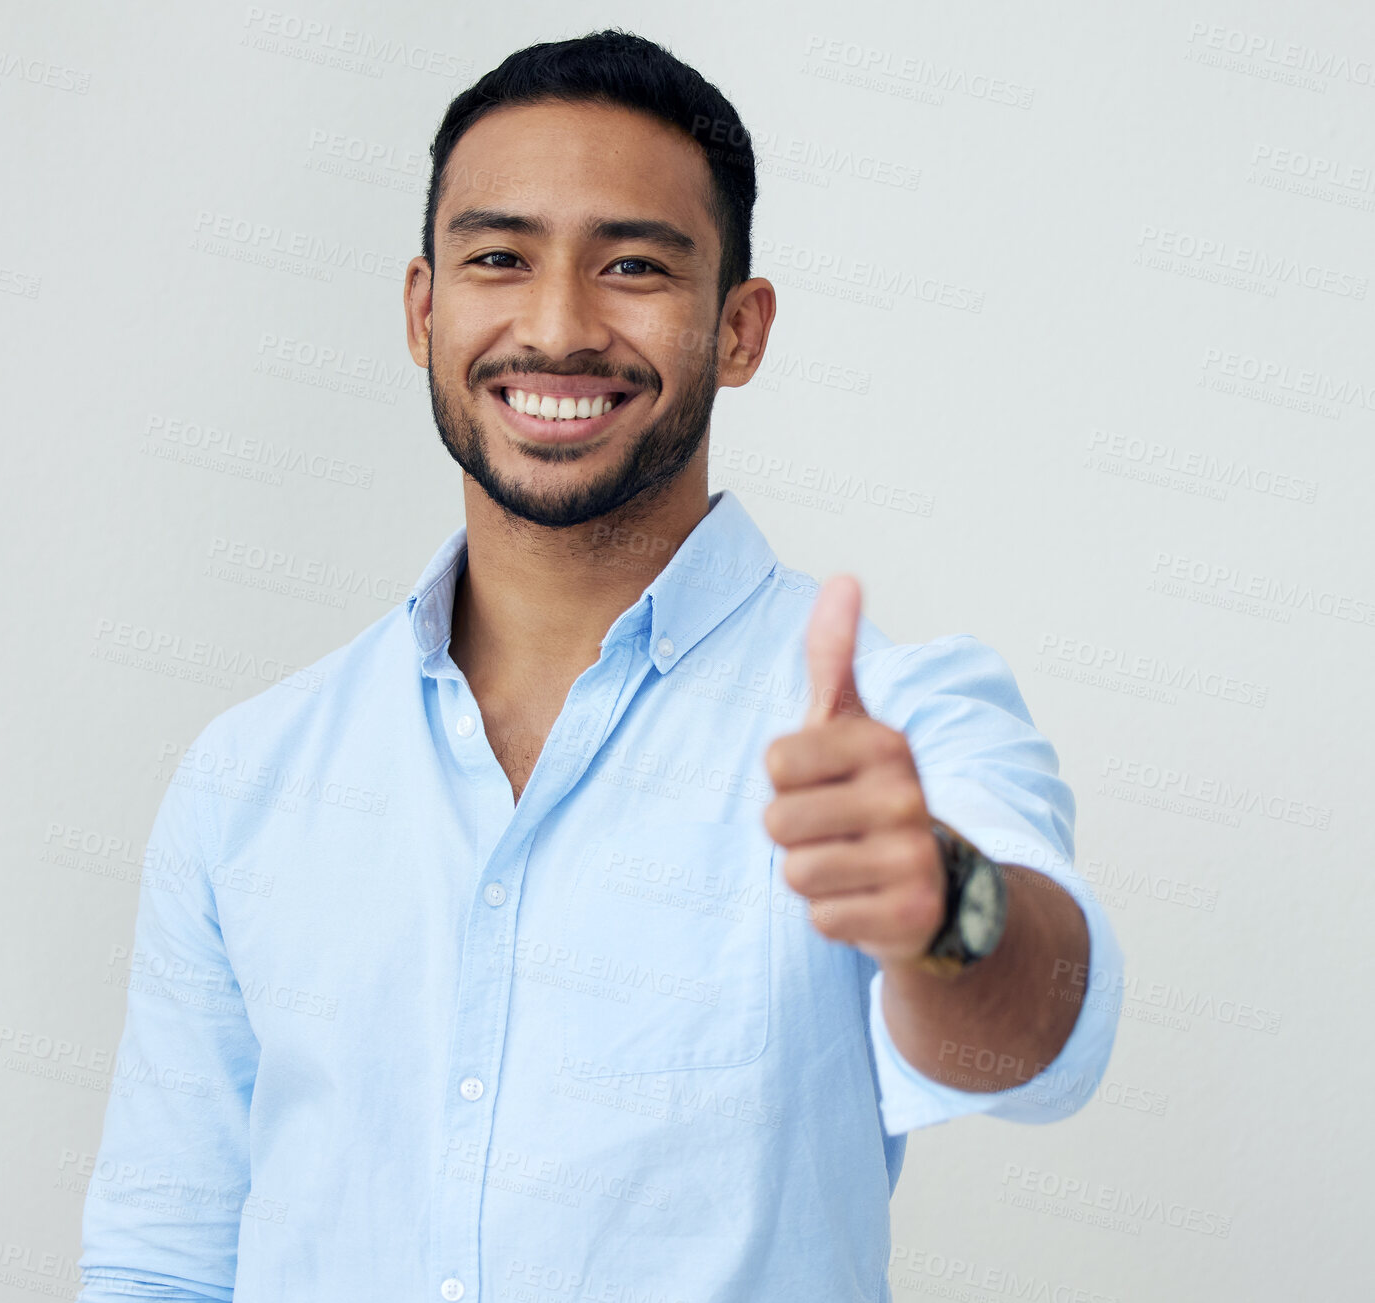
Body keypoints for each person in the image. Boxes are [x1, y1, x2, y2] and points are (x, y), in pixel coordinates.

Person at [77, 28, 1122, 1303]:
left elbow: (1042, 1044)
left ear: (740, 329)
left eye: (634, 265)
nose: (559, 326)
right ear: (424, 309)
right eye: (499, 258)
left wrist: (941, 906)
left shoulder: (892, 725)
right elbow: (163, 1258)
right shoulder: (250, 774)